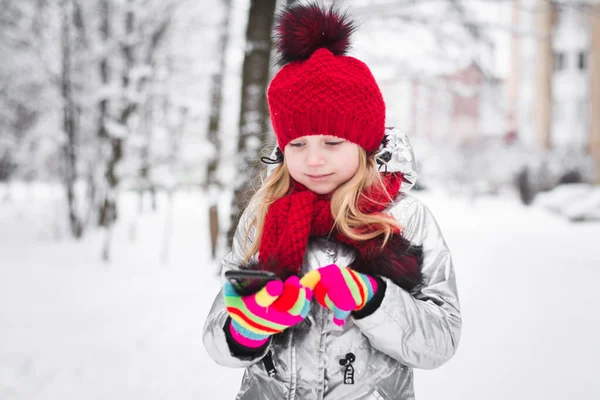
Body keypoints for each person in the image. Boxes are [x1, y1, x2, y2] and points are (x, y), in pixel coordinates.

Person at [202, 3, 461, 399]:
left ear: (365, 145)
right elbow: (218, 337)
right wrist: (248, 326)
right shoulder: (263, 215)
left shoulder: (403, 219)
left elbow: (440, 340)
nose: (314, 159)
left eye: (333, 143)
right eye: (298, 144)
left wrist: (373, 299)